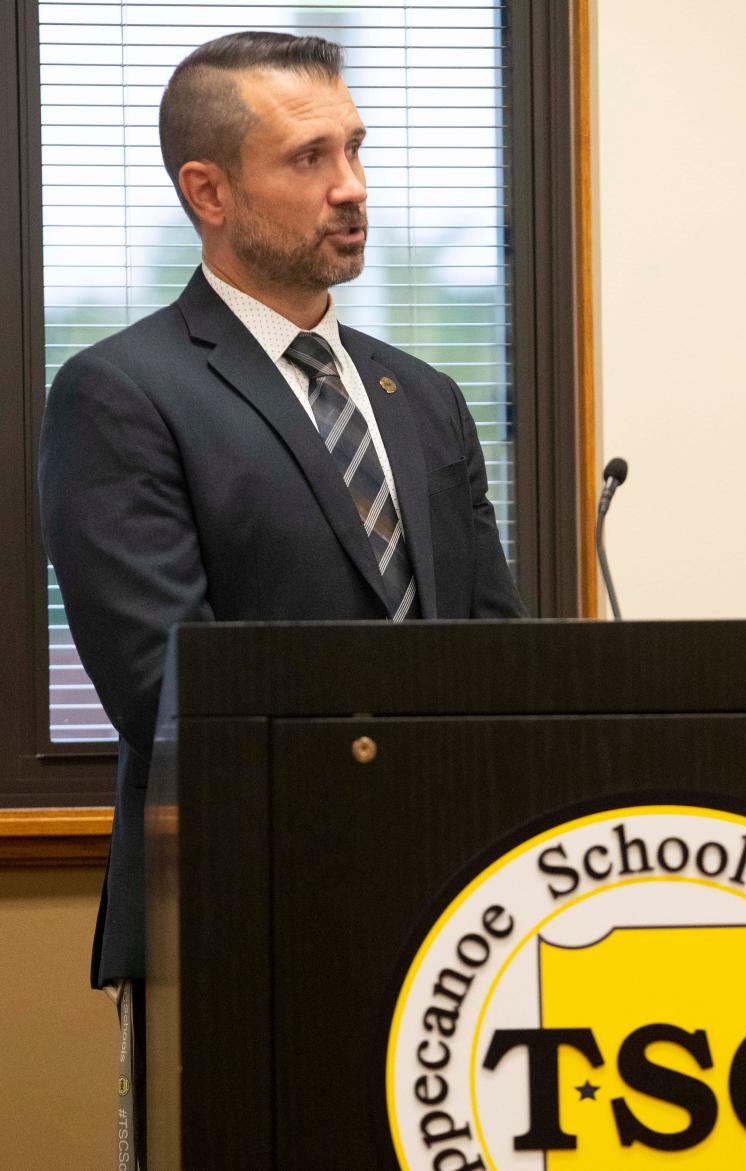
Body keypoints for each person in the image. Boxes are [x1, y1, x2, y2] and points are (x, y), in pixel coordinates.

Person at [37, 30, 524, 1168]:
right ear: (207, 190)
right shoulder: (121, 392)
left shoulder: (428, 398)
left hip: (459, 914)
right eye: (308, 159)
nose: (351, 188)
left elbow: (501, 657)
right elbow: (169, 695)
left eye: (355, 151)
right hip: (237, 917)